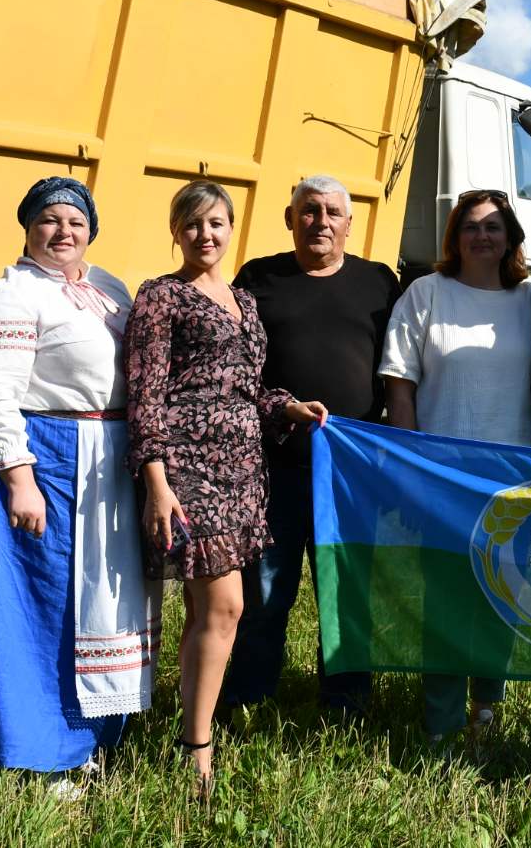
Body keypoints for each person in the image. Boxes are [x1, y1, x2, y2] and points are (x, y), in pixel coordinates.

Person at [0, 176, 160, 799]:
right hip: (49, 459)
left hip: (106, 462)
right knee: (49, 607)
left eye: (76, 221)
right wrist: (18, 476)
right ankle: (46, 752)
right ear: (27, 228)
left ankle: (96, 736)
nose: (63, 232)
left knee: (105, 605)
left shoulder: (108, 289)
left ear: (92, 230)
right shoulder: (8, 294)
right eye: (49, 220)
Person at [125, 181, 327, 799]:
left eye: (215, 224)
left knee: (207, 615)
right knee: (227, 608)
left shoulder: (243, 299)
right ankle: (197, 748)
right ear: (175, 231)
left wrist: (287, 407)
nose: (205, 235)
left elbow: (245, 387)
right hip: (191, 474)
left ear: (231, 228)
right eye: (193, 225)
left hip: (244, 472)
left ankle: (191, 723)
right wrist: (157, 483)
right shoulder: (162, 297)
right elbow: (145, 392)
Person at [222, 175, 402, 717]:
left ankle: (345, 704)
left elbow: (400, 368)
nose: (320, 221)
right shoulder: (258, 278)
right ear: (289, 218)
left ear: (350, 223)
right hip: (276, 468)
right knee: (267, 595)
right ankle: (250, 697)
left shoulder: (379, 283)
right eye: (308, 211)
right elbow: (238, 371)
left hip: (351, 472)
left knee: (346, 594)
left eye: (332, 213)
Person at [380, 190, 531, 743]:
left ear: (510, 236)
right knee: (445, 597)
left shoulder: (530, 300)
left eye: (494, 226)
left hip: (512, 475)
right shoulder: (426, 293)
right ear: (455, 237)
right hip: (441, 475)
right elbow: (399, 385)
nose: (482, 236)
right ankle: (442, 719)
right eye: (471, 227)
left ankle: (487, 708)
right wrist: (411, 464)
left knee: (501, 596)